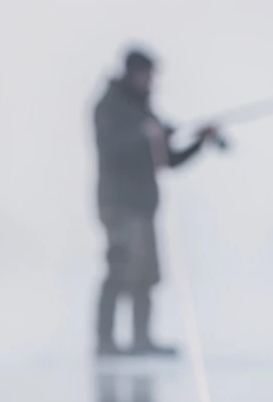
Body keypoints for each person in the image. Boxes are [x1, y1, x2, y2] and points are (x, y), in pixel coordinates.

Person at [92, 48, 216, 356]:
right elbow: (113, 149)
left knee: (144, 274)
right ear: (132, 73)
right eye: (147, 74)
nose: (151, 81)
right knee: (120, 270)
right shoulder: (110, 107)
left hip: (144, 206)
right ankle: (105, 343)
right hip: (119, 205)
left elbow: (166, 160)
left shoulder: (142, 110)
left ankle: (141, 341)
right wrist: (147, 134)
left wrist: (199, 142)